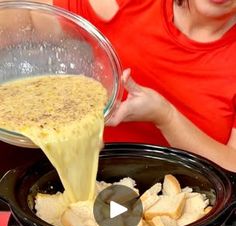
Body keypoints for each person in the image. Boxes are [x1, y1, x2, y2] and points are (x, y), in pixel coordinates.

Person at [0, 0, 235, 171]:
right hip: (97, 184)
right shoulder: (129, 5)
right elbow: (28, 17)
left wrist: (167, 117)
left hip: (197, 205)